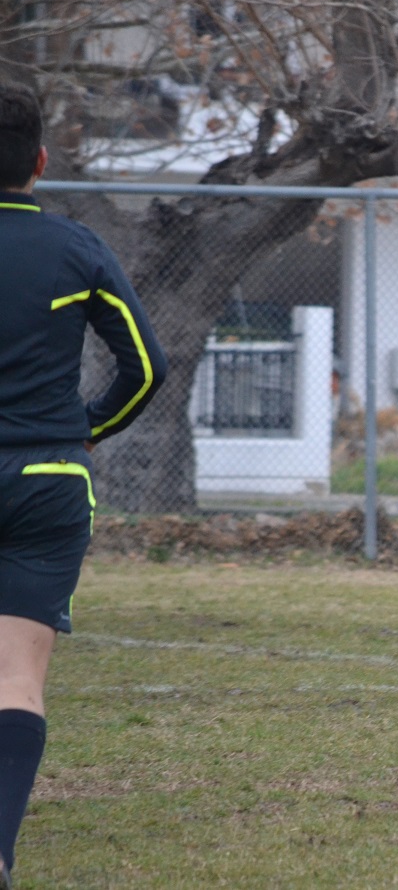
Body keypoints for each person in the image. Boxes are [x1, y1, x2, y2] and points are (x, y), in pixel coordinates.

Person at [0, 81, 167, 889]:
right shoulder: (76, 247)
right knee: (15, 677)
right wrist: (83, 429)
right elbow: (146, 368)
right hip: (46, 478)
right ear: (39, 160)